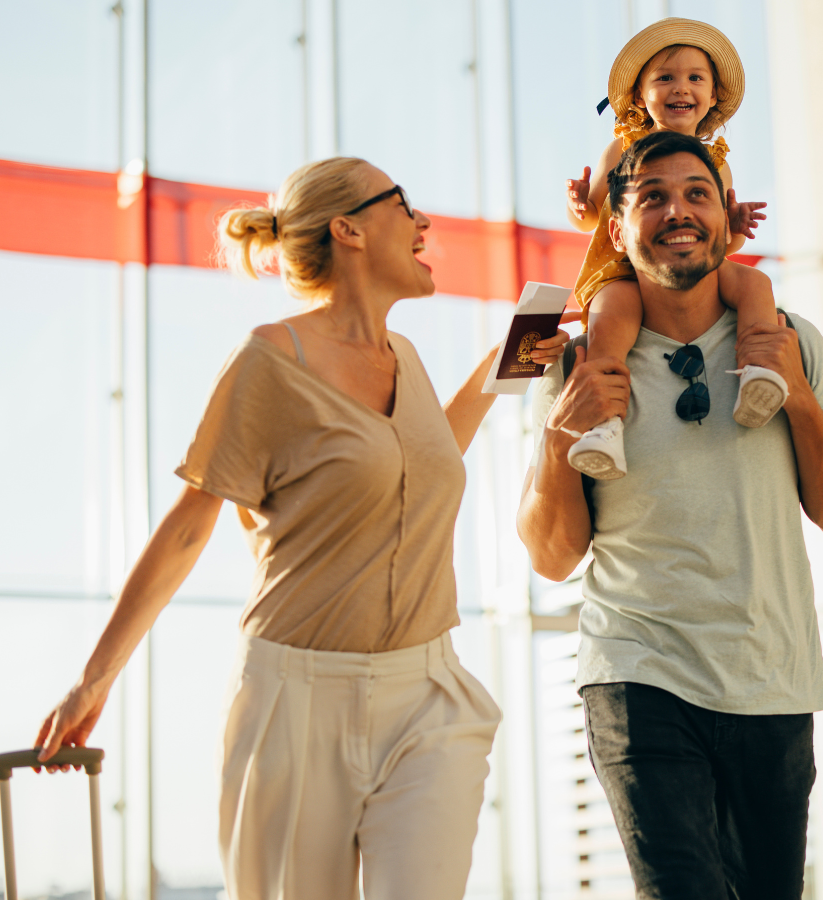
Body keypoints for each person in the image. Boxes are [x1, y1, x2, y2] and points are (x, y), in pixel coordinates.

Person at [32, 157, 568, 900]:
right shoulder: (269, 360)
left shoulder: (405, 358)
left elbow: (421, 457)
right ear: (349, 229)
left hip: (427, 697)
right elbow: (187, 528)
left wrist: (509, 355)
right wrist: (93, 681)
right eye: (402, 205)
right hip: (296, 703)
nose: (423, 221)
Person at [518, 130, 823, 899]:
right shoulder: (573, 363)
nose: (677, 212)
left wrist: (797, 394)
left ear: (725, 217)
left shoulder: (792, 340)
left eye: (696, 194)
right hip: (637, 672)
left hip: (771, 678)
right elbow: (551, 557)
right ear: (617, 231)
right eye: (652, 197)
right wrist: (557, 440)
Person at [560, 18, 787, 480]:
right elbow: (595, 218)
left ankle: (759, 371)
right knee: (609, 322)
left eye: (694, 78)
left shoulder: (718, 164)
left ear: (712, 94)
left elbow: (720, 243)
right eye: (665, 77)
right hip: (625, 269)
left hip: (696, 265)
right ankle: (605, 424)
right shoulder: (621, 149)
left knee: (755, 283)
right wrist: (579, 205)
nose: (680, 87)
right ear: (639, 96)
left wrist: (735, 227)